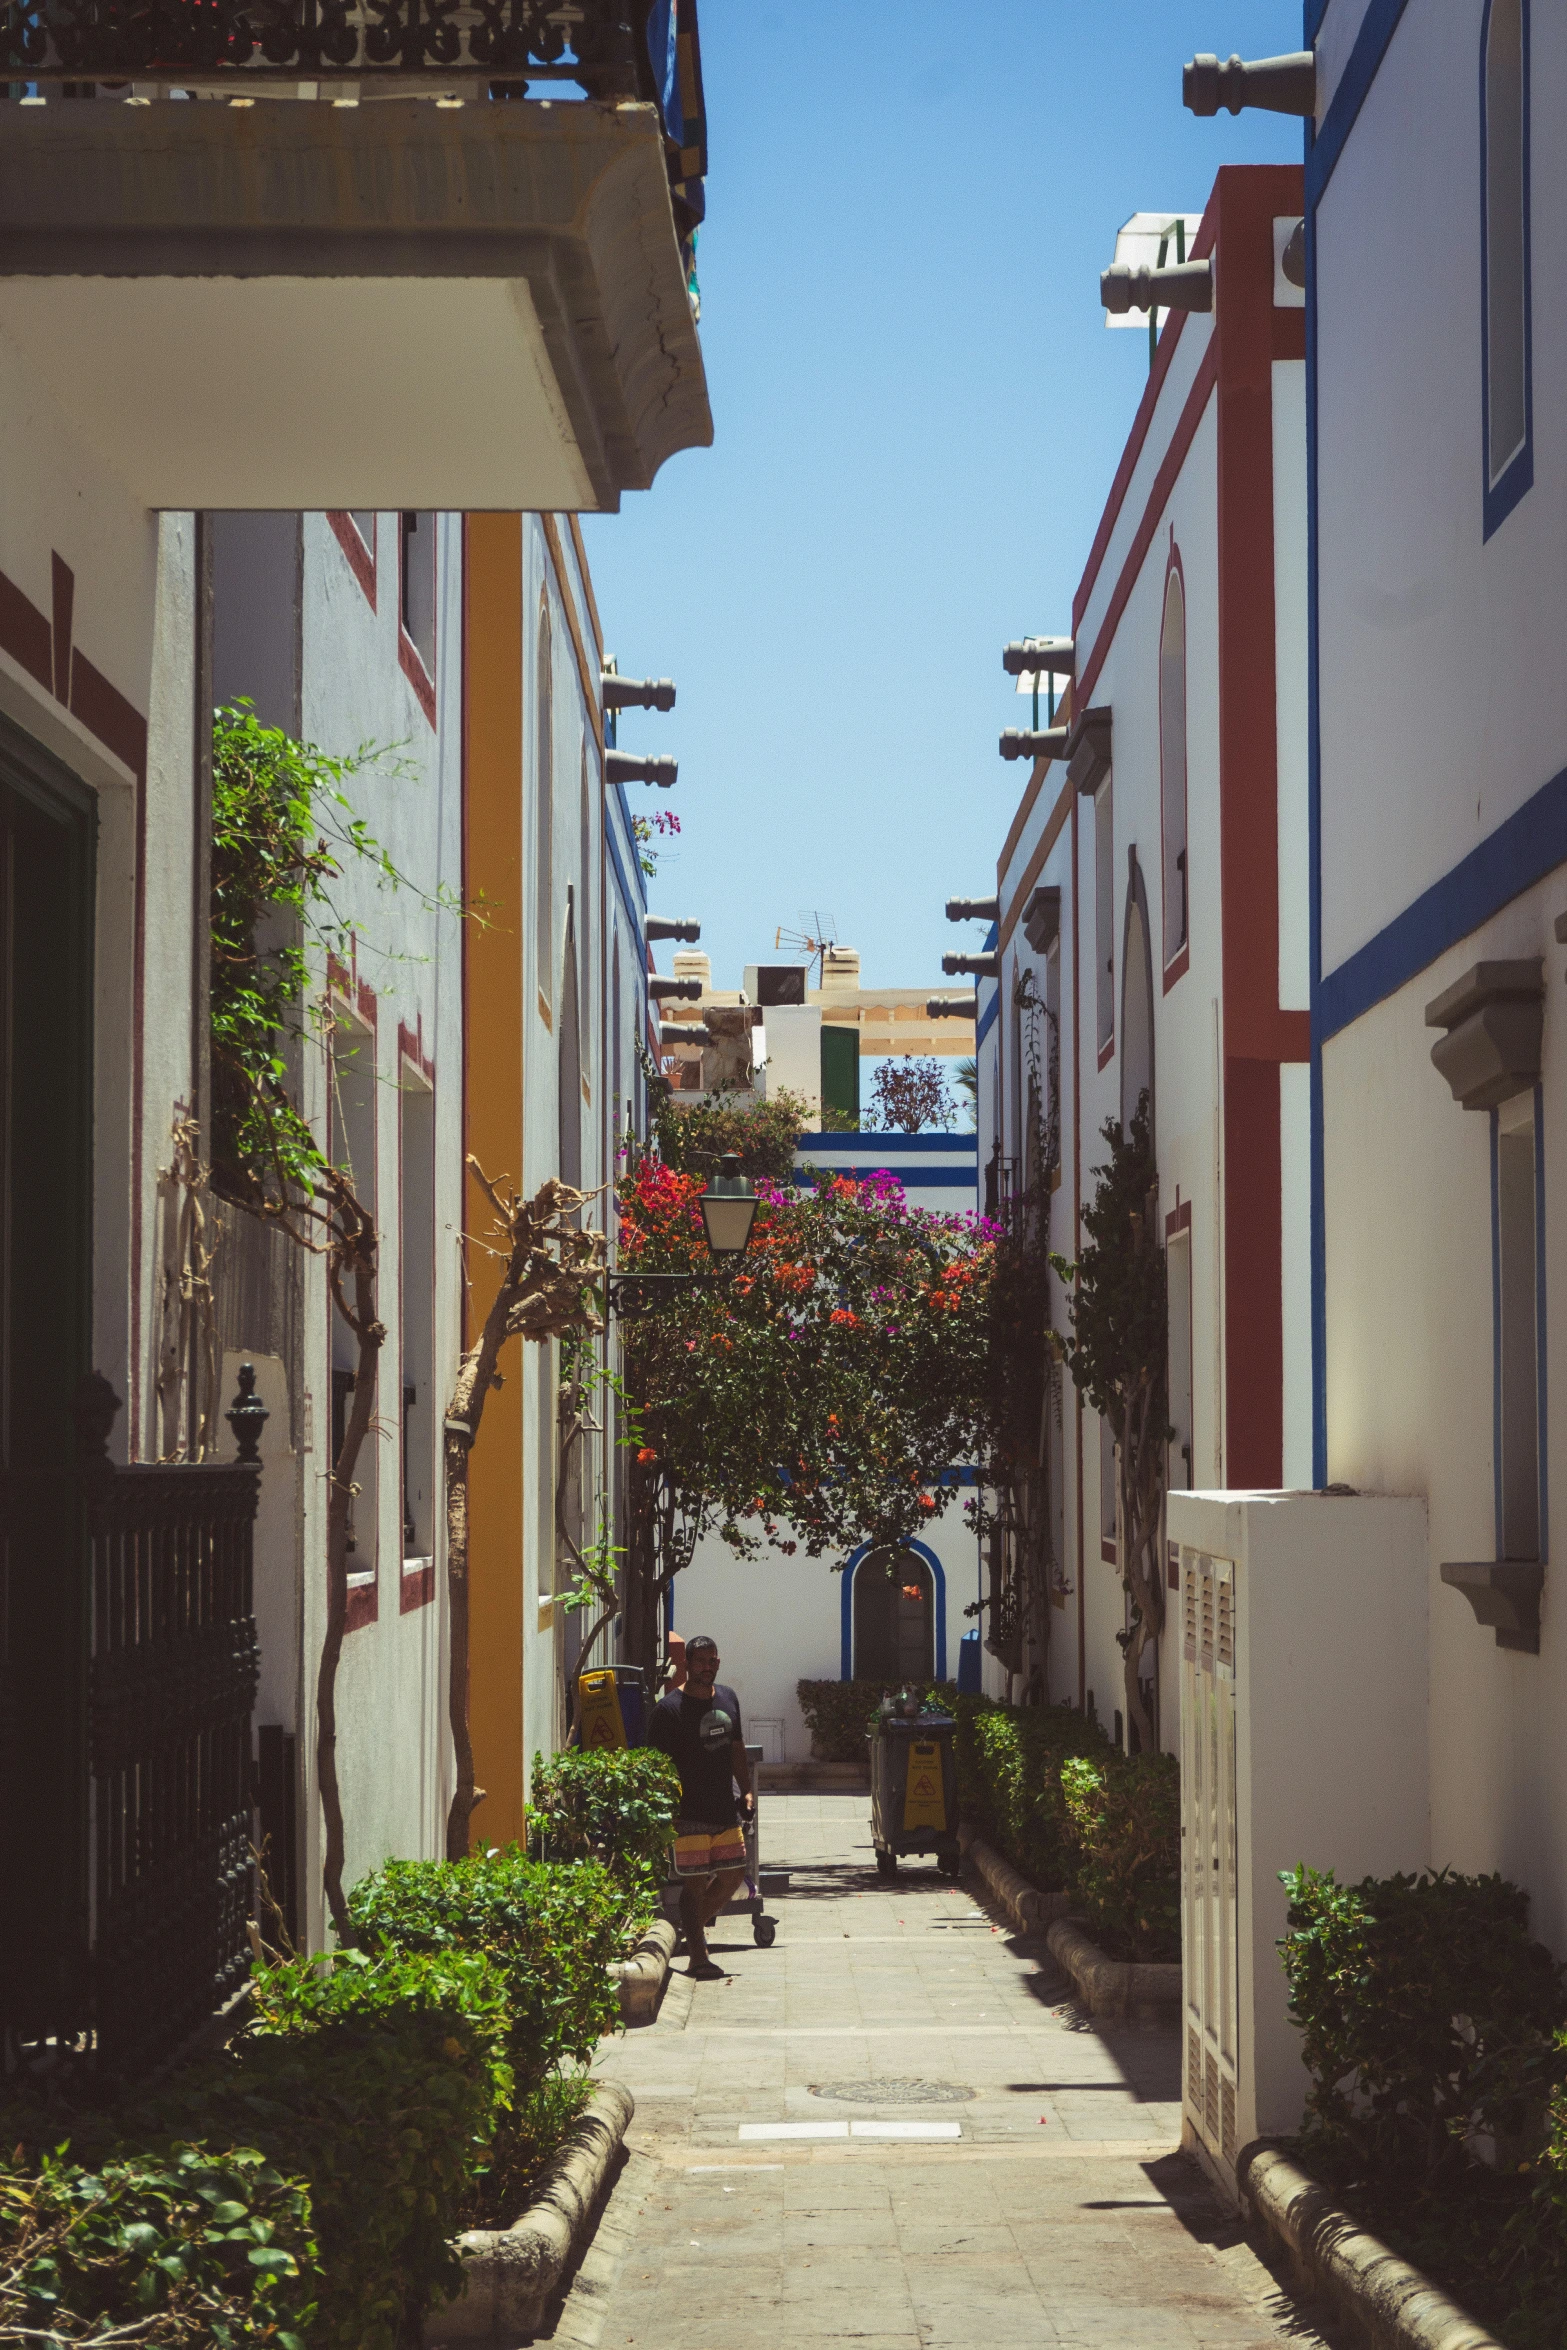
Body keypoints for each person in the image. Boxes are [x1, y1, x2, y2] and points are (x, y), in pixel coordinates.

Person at [647, 1633, 753, 1979]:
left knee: (734, 1874)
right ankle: (698, 1956)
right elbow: (657, 1765)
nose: (708, 1667)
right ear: (687, 1665)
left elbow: (736, 1747)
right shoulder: (668, 1711)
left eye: (713, 1661)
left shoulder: (728, 1698)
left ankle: (686, 1931)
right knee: (693, 1884)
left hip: (724, 1808)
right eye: (701, 1661)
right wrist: (665, 1810)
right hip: (687, 1813)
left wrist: (747, 1790)